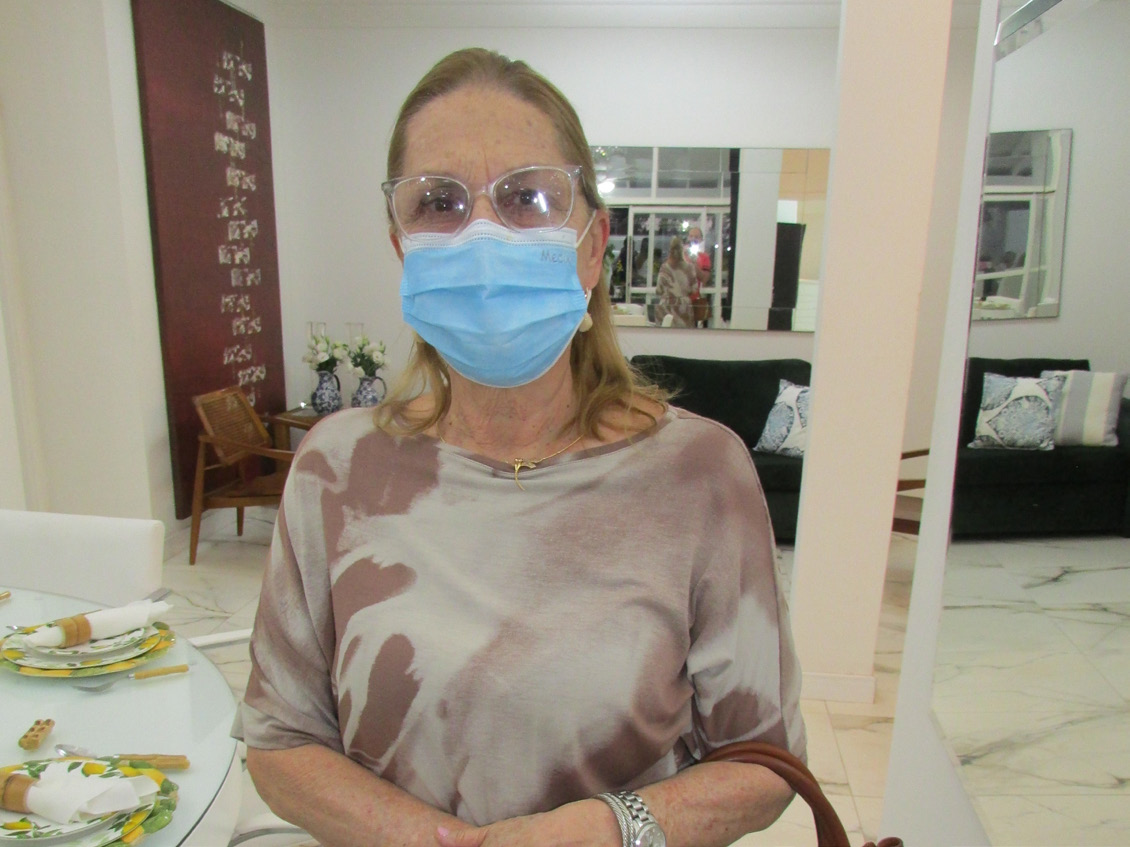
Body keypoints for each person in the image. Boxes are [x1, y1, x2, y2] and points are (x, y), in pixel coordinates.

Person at [236, 47, 805, 847]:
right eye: (438, 201)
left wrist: (607, 830)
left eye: (527, 197)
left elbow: (763, 761)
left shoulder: (699, 474)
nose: (482, 236)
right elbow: (280, 742)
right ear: (402, 248)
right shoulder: (335, 472)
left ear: (593, 245)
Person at [653, 236, 697, 328]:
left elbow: (659, 290)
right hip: (684, 308)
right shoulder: (690, 267)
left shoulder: (665, 268)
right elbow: (694, 289)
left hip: (666, 307)